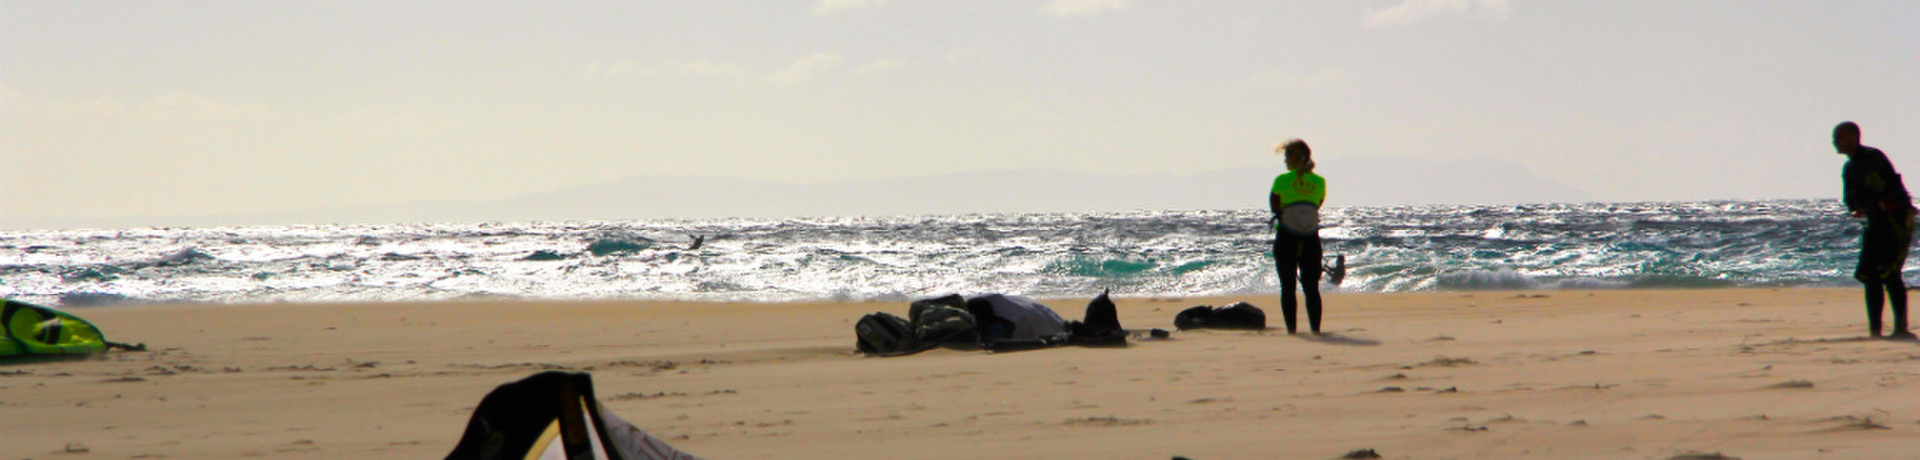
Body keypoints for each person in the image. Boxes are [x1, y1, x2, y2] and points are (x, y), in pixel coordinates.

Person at [1835, 121, 1915, 339]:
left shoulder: (1873, 157)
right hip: (1874, 223)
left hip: (1894, 222)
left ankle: (1901, 328)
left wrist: (1883, 204)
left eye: (1839, 137)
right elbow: (1850, 199)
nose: (1834, 142)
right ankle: (1875, 331)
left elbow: (1890, 188)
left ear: (1852, 138)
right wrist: (1858, 207)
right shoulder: (1849, 168)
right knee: (1870, 275)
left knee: (1889, 273)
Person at [1269, 139, 1326, 334]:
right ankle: (1315, 330)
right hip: (1311, 237)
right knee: (1311, 288)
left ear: (1295, 157)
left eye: (1287, 156)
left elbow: (1274, 206)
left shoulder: (1281, 180)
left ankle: (1292, 331)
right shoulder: (1319, 182)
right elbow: (1317, 203)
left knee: (1288, 287)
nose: (1285, 160)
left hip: (1287, 237)